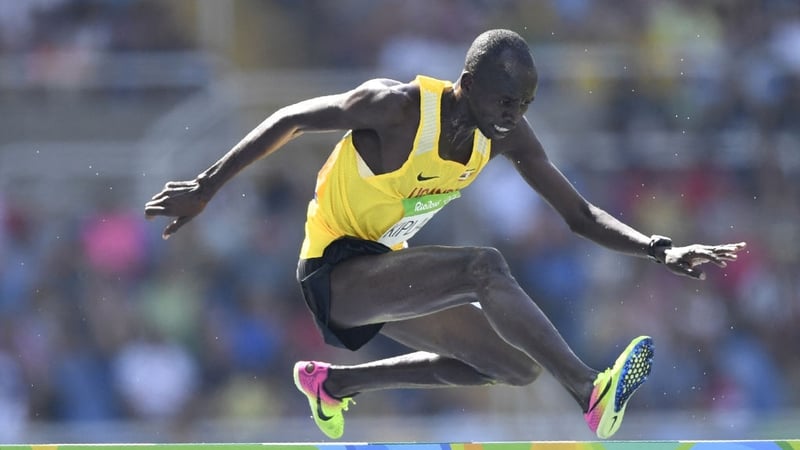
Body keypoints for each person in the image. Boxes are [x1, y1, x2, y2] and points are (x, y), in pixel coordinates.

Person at [144, 29, 746, 440]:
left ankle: (333, 385)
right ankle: (590, 390)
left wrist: (657, 247)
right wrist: (206, 186)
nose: (514, 114)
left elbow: (579, 216)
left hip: (385, 270)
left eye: (526, 103)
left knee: (512, 367)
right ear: (468, 82)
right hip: (332, 270)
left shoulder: (503, 135)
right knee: (481, 268)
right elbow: (293, 119)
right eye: (506, 99)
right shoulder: (398, 107)